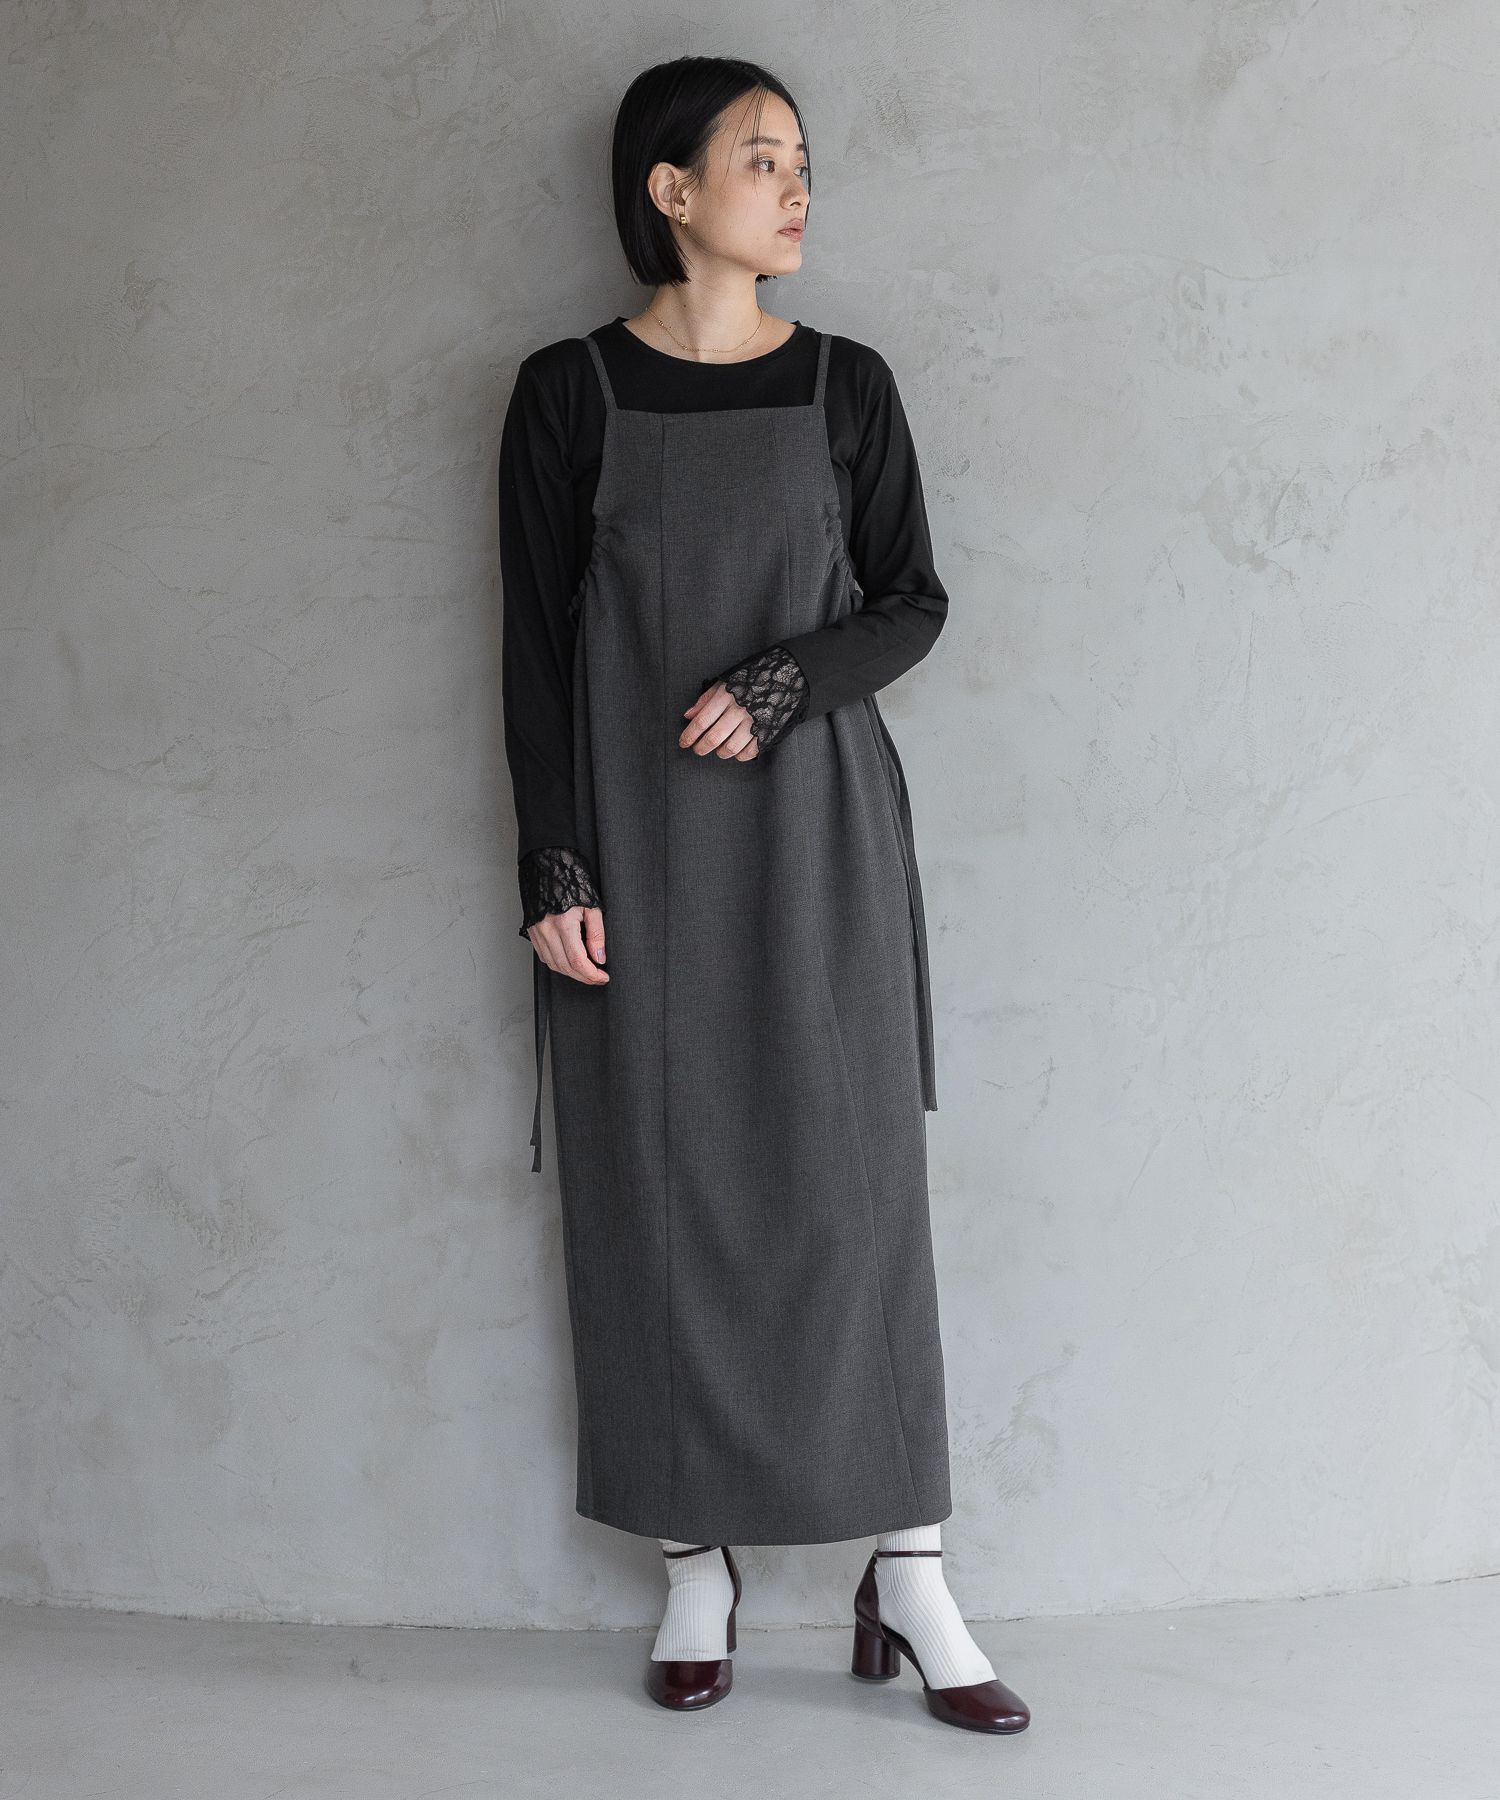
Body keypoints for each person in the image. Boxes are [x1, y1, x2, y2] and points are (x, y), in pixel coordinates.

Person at [498, 55, 1029, 1735]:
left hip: (819, 836)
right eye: (759, 159)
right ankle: (695, 1566)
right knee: (653, 1184)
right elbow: (529, 653)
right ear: (671, 190)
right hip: (635, 852)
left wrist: (789, 680)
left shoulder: (849, 385)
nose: (796, 188)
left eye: (803, 161)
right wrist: (553, 864)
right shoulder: (567, 394)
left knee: (858, 1183)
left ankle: (912, 1567)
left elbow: (912, 602)